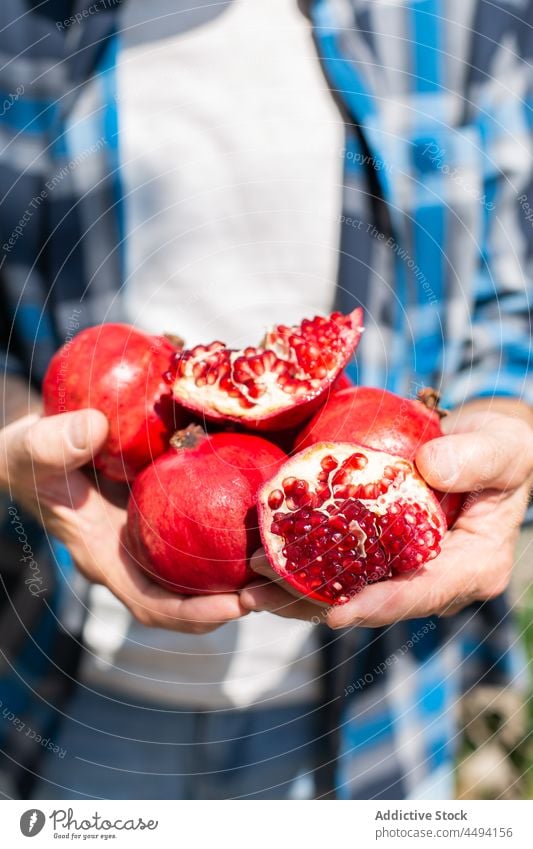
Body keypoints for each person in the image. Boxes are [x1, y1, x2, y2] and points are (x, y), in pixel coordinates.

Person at [0, 0, 532, 800]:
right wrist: (13, 439)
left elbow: (512, 306)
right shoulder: (18, 26)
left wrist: (507, 424)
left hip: (376, 699)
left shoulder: (461, 22)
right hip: (66, 670)